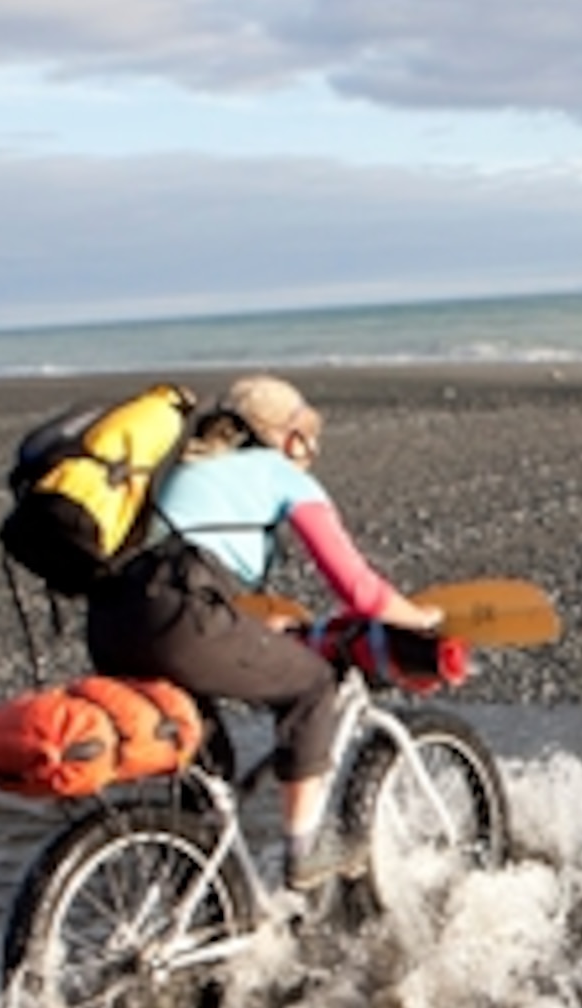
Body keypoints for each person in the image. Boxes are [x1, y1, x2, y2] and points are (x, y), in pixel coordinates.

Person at [85, 375, 443, 888]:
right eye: (309, 431)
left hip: (112, 620)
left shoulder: (186, 469)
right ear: (288, 435)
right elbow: (358, 590)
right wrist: (420, 616)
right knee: (313, 685)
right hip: (182, 616)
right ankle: (304, 855)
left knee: (207, 769)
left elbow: (181, 564)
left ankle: (198, 895)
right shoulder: (280, 474)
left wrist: (252, 623)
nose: (312, 446)